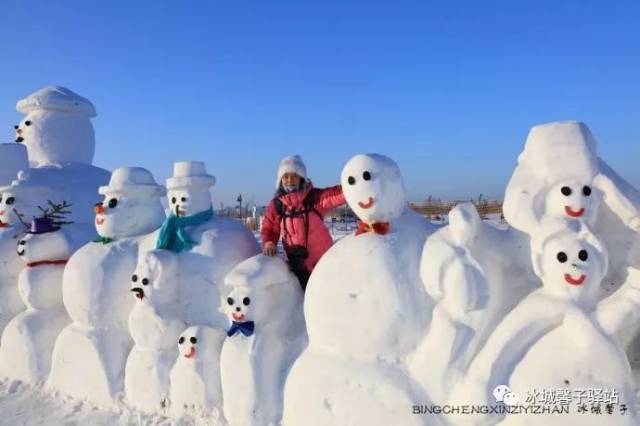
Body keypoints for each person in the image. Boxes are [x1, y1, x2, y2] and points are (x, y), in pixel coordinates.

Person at [262, 155, 345, 291]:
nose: (289, 180)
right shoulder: (277, 205)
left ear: (301, 177)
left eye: (294, 176)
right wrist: (269, 242)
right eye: (286, 176)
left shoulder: (313, 198)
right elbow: (270, 228)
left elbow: (334, 196)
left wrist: (352, 185)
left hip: (324, 262)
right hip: (299, 266)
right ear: (280, 179)